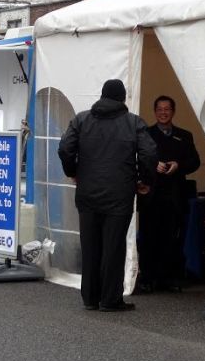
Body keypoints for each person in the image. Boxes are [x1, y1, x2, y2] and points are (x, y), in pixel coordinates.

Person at [58, 79, 157, 312]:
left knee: (90, 246)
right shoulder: (133, 122)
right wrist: (145, 180)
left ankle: (90, 298)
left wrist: (73, 172)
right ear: (123, 98)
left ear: (102, 96)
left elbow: (64, 148)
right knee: (113, 247)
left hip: (87, 193)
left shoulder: (82, 119)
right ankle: (110, 299)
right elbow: (150, 153)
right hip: (119, 194)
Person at [137, 95, 200, 292]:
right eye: (159, 109)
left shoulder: (185, 135)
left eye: (167, 109)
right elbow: (136, 160)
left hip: (175, 195)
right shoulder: (145, 134)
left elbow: (195, 162)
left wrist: (178, 166)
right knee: (148, 237)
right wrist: (153, 165)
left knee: (172, 238)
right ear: (154, 112)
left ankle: (169, 279)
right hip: (151, 195)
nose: (163, 113)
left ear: (173, 112)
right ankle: (147, 279)